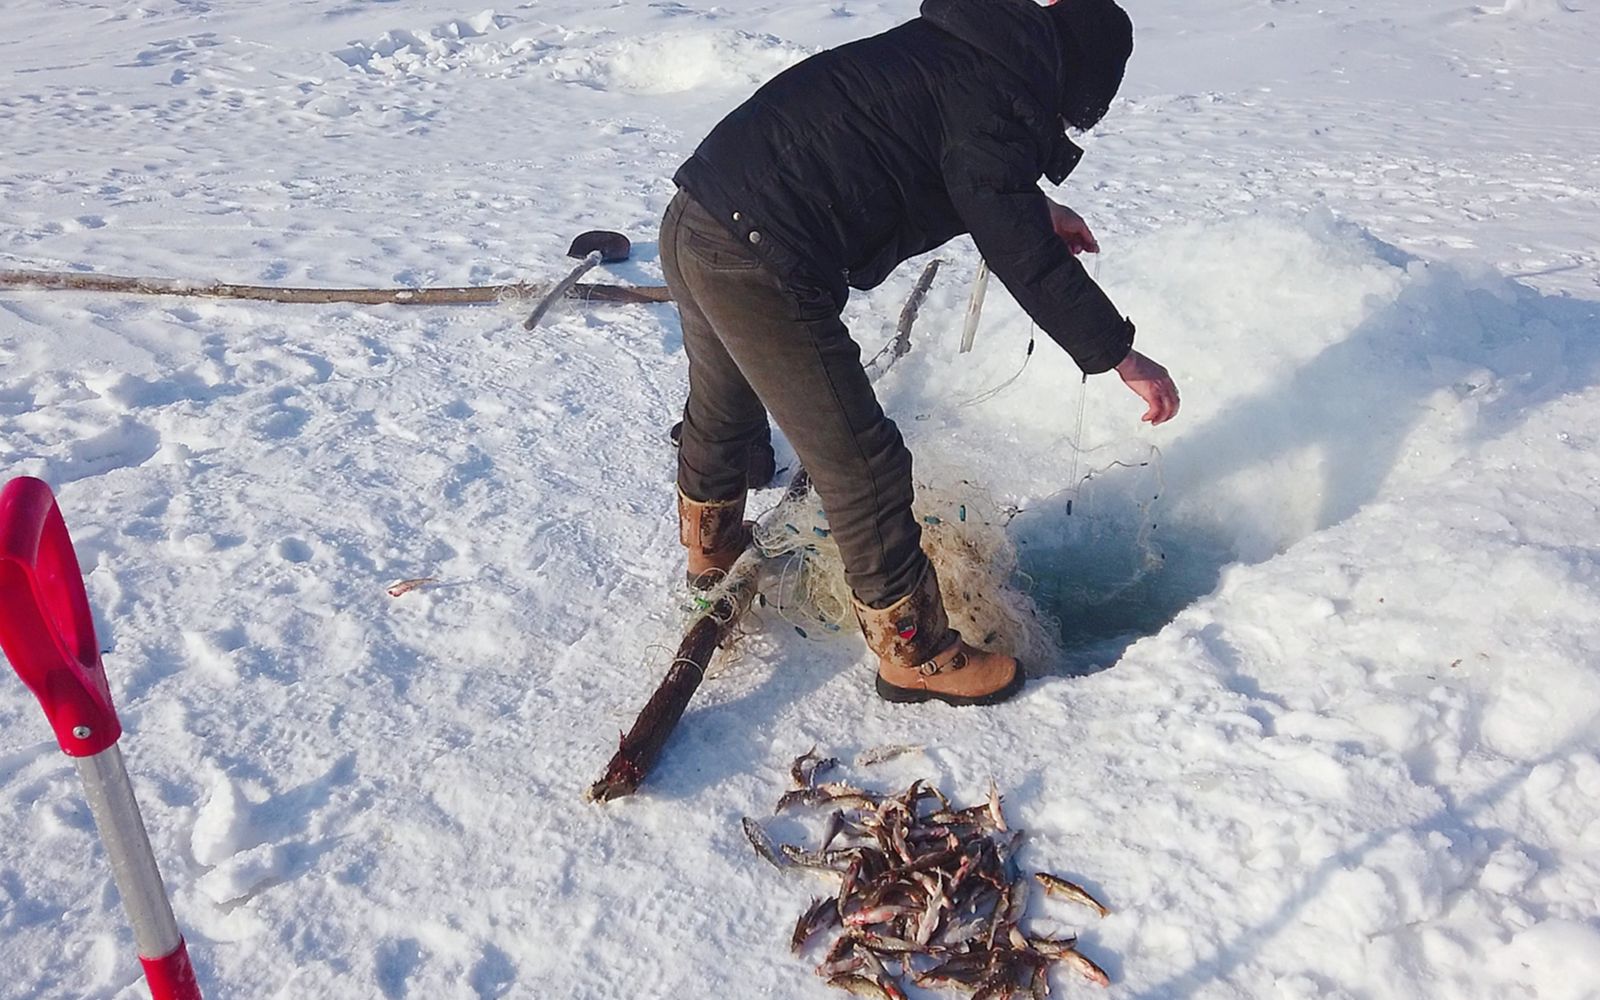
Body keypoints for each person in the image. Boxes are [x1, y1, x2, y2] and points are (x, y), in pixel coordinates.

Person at [660, 0, 1180, 707]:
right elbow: (1017, 245)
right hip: (760, 257)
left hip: (699, 213)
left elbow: (953, 158)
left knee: (724, 402)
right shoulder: (998, 96)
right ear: (1070, 81)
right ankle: (919, 654)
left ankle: (711, 551)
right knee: (862, 461)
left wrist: (1035, 209)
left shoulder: (963, 48)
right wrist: (1121, 353)